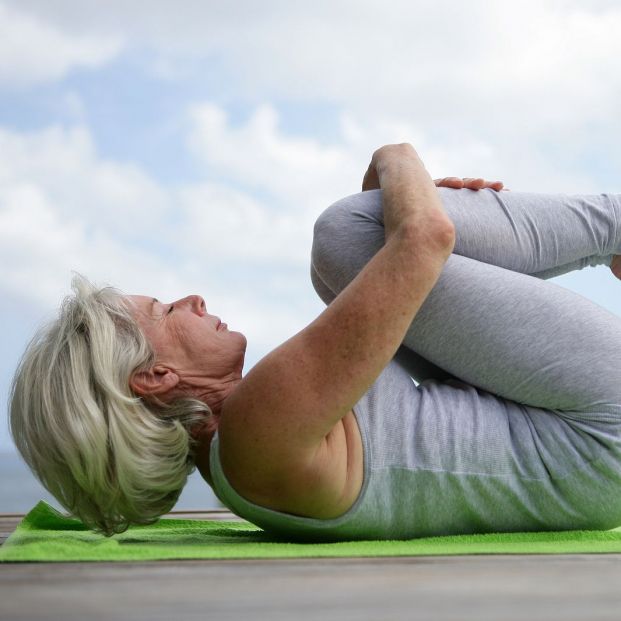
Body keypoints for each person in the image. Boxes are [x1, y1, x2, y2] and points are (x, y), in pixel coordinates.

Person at [9, 143, 621, 540]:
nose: (193, 299)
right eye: (167, 310)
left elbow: (413, 256)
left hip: (580, 449)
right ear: (154, 377)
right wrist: (395, 160)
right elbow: (426, 237)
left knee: (357, 249)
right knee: (343, 236)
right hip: (602, 428)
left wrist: (404, 210)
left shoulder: (243, 464)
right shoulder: (254, 431)